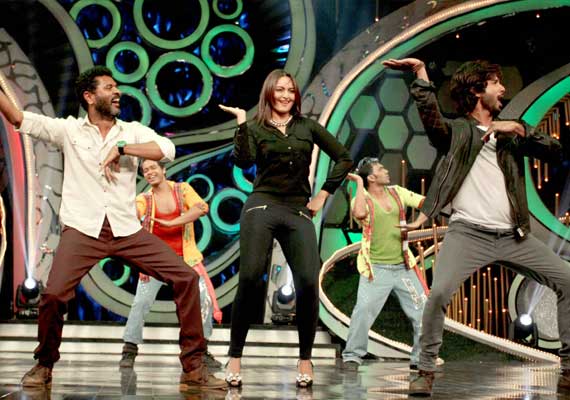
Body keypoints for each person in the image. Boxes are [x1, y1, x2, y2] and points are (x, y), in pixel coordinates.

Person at [0, 66, 226, 390]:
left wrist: (122, 148)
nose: (117, 91)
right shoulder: (69, 131)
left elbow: (167, 149)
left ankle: (193, 368)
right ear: (90, 97)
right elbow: (18, 118)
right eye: (108, 87)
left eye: (116, 86)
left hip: (126, 231)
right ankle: (44, 364)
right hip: (83, 230)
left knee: (186, 277)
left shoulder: (131, 131)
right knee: (53, 295)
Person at [383, 58, 570, 396]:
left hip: (513, 236)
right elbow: (431, 119)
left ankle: (568, 369)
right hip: (468, 234)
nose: (503, 89)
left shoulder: (510, 134)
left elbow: (555, 151)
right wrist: (421, 74)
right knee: (439, 294)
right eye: (496, 82)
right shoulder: (458, 131)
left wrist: (521, 129)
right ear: (477, 90)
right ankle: (425, 370)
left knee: (567, 280)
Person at [219, 69, 353, 387]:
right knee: (250, 277)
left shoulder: (307, 127)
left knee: (307, 281)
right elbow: (243, 161)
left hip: (297, 209)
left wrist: (323, 194)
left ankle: (305, 358)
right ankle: (235, 355)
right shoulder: (256, 127)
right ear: (269, 93)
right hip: (262, 206)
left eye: (290, 90)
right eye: (280, 90)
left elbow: (344, 158)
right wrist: (241, 124)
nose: (285, 95)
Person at [119, 159, 222, 370]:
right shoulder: (144, 198)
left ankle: (201, 350)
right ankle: (129, 349)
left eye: (153, 168)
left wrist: (172, 222)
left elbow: (201, 208)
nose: (149, 172)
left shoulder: (182, 190)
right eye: (145, 170)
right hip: (156, 262)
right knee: (141, 302)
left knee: (203, 301)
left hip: (185, 260)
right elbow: (135, 212)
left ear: (163, 169)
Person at [342, 158, 428, 371]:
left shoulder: (397, 192)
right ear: (371, 177)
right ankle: (352, 355)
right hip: (376, 268)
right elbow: (359, 214)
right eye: (381, 169)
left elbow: (427, 202)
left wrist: (417, 222)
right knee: (363, 310)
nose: (386, 170)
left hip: (403, 267)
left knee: (423, 311)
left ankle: (420, 358)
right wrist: (359, 183)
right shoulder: (361, 199)